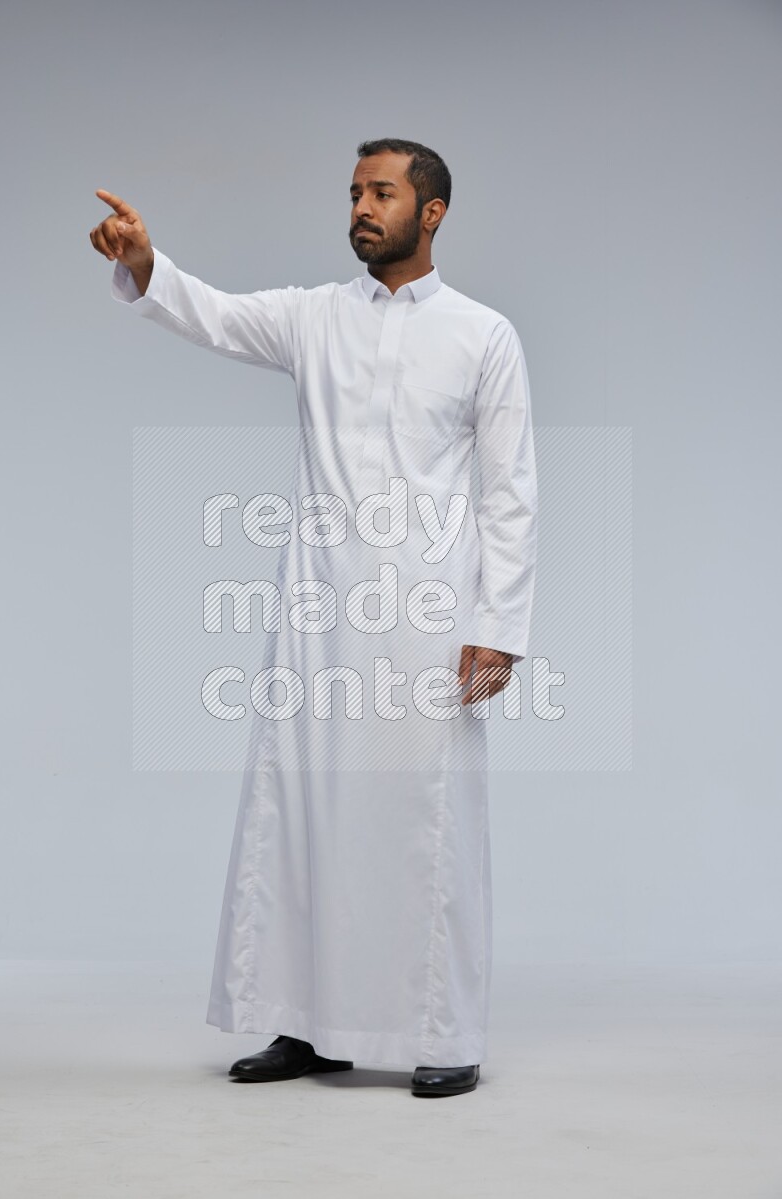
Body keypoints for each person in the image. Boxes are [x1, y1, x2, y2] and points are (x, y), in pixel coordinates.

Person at [90, 138, 538, 1098]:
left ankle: (444, 1031)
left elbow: (511, 493)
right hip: (316, 609)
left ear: (434, 211)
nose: (361, 208)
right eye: (354, 193)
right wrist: (143, 265)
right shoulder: (312, 319)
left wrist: (499, 624)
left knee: (432, 822)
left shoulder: (482, 334)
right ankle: (302, 1024)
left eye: (382, 192)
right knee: (300, 811)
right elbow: (211, 314)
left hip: (430, 614)